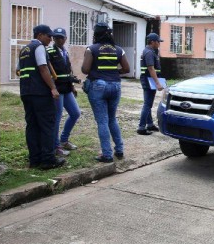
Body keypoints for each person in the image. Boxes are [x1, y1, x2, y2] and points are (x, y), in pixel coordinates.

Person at [81, 23, 130, 163]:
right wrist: (114, 72)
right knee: (112, 119)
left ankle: (107, 154)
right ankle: (119, 150)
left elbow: (85, 69)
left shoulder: (92, 49)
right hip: (115, 85)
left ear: (96, 34)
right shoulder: (118, 49)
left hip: (98, 86)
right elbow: (126, 69)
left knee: (102, 121)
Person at [18, 24, 65, 170]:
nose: (51, 39)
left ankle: (35, 160)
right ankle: (48, 160)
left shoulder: (24, 49)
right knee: (47, 125)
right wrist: (52, 88)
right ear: (39, 35)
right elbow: (43, 67)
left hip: (26, 93)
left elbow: (18, 71)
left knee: (32, 126)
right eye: (48, 36)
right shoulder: (39, 47)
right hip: (40, 94)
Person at [47, 28, 81, 157]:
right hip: (57, 89)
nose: (58, 39)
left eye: (61, 37)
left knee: (75, 113)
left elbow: (68, 71)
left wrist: (72, 85)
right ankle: (55, 147)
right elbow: (47, 70)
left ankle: (64, 140)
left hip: (66, 88)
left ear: (65, 38)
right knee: (57, 116)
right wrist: (52, 88)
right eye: (56, 37)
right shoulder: (50, 51)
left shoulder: (65, 52)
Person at [137, 32, 164, 135]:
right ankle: (141, 127)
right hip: (149, 80)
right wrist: (157, 83)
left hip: (148, 80)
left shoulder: (150, 51)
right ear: (152, 42)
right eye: (158, 42)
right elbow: (151, 68)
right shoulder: (149, 52)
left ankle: (150, 124)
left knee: (148, 104)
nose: (159, 43)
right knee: (147, 104)